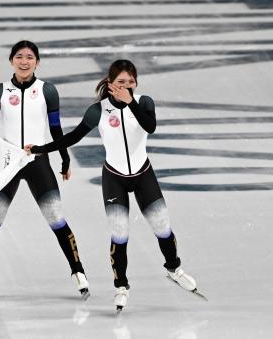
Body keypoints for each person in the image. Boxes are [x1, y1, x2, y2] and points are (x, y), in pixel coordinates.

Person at [25, 59, 199, 311]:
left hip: (143, 174)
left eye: (130, 82)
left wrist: (131, 103)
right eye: (120, 82)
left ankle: (174, 268)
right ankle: (121, 286)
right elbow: (73, 136)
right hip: (114, 177)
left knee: (162, 226)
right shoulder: (98, 110)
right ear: (110, 83)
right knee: (120, 234)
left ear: (136, 83)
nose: (126, 86)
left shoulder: (145, 102)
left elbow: (150, 126)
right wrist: (40, 149)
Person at [0, 40, 89, 300]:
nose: (24, 61)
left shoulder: (48, 91)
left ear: (38, 62)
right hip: (8, 163)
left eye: (30, 57)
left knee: (56, 219)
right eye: (20, 56)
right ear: (11, 60)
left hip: (38, 162)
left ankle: (77, 270)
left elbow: (56, 130)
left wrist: (65, 158)